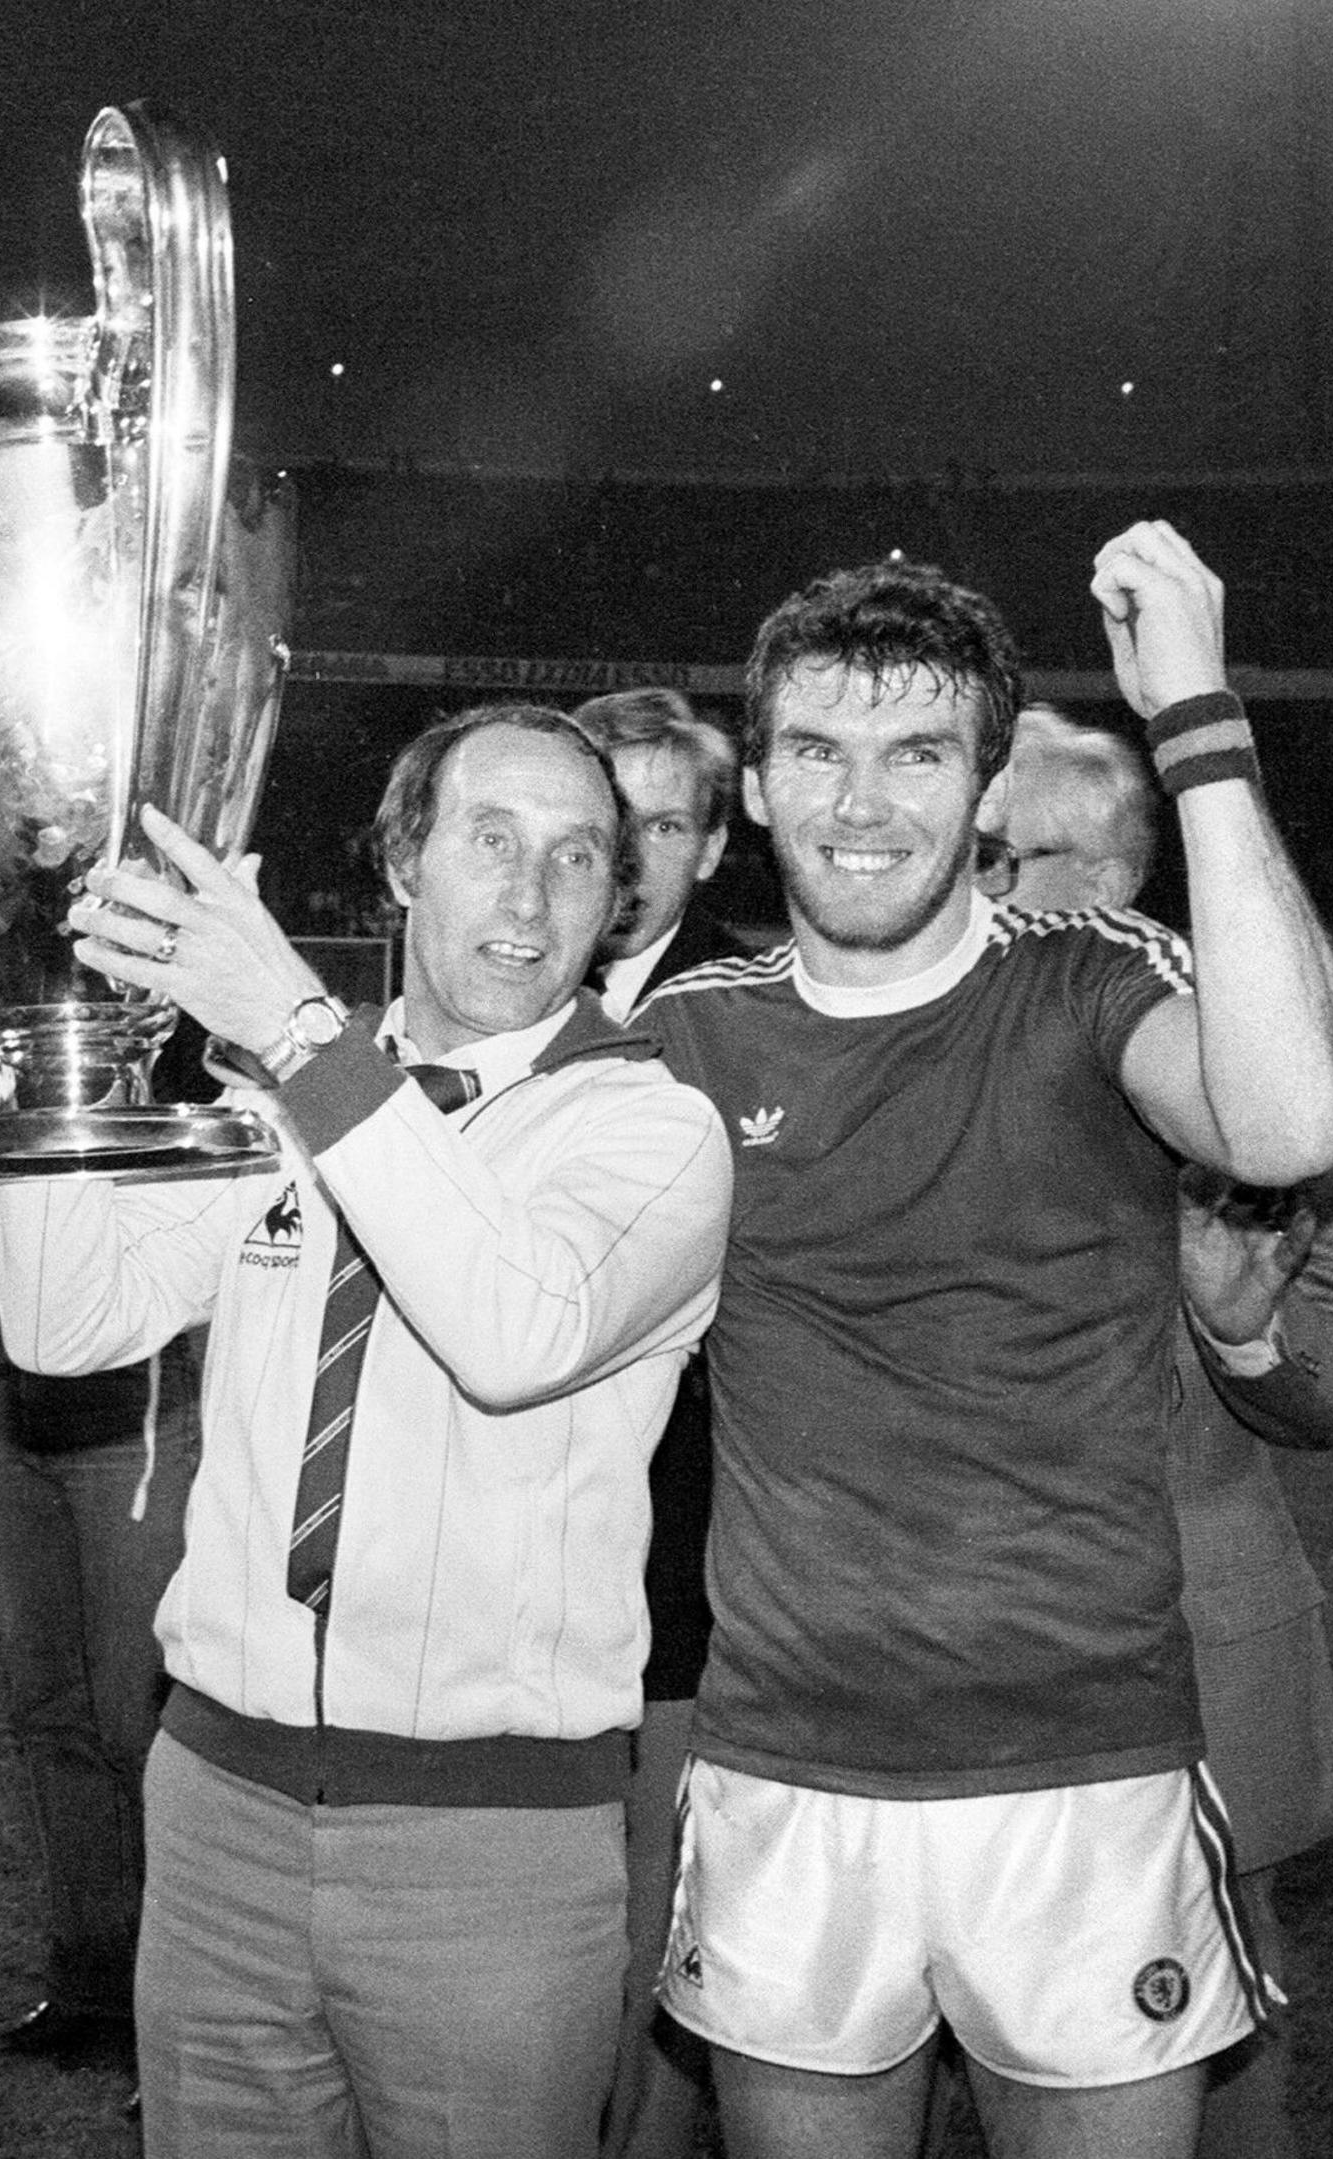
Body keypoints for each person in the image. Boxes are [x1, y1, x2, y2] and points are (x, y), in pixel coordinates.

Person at [638, 523, 1333, 2159]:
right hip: (790, 1776)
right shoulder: (687, 1037)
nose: (863, 801)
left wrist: (1200, 714)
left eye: (917, 754)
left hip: (1083, 1775)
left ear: (986, 794)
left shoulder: (1095, 986)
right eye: (815, 750)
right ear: (754, 783)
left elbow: (1294, 1112)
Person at [0, 705, 732, 2159]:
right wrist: (60, 1040)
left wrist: (297, 1034)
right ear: (404, 863)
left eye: (578, 855)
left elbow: (513, 1332)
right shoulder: (282, 1103)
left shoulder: (649, 1131)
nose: (528, 895)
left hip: (492, 1848)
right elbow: (62, 1320)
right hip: (216, 1809)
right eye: (490, 840)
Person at [990, 705, 1333, 2159]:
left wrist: (1236, 1324)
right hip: (948, 1656)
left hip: (1192, 1656)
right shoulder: (916, 1050)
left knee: (1219, 2056)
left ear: (1103, 874)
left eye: (1002, 857)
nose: (965, 887)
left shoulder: (1260, 1066)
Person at [567, 684, 752, 2159]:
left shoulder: (755, 1018)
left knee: (660, 1912)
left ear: (715, 840)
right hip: (513, 1559)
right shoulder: (497, 992)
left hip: (685, 1554)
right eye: (602, 818)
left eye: (665, 821)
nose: (628, 853)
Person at [0, 1184, 202, 2078]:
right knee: (50, 1716)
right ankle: (89, 1980)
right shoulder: (1, 1073)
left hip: (126, 1416)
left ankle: (174, 2017)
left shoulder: (136, 1069)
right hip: (10, 1405)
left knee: (137, 1726)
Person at [569, 687, 749, 1017]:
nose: (630, 860)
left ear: (709, 850)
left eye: (664, 828)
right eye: (613, 819)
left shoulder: (751, 1008)